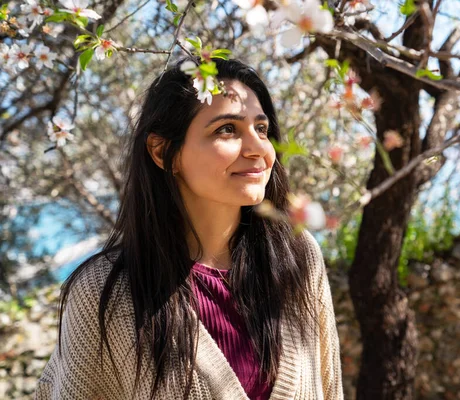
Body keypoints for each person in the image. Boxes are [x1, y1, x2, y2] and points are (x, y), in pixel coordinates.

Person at [34, 57, 343, 400]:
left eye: (261, 129)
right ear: (164, 152)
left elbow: (330, 388)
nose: (258, 149)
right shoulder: (105, 293)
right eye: (227, 129)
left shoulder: (298, 258)